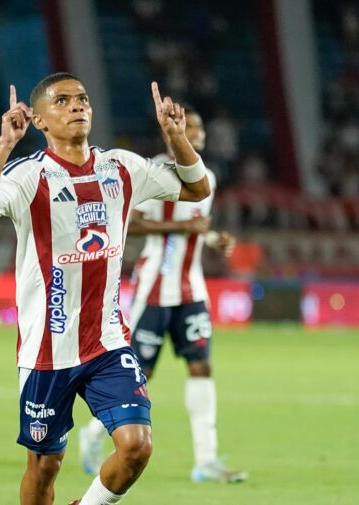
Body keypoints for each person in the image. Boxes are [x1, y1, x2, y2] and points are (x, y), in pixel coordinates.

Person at [0, 73, 211, 505]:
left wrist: (176, 136)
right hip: (45, 349)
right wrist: (4, 145)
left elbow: (196, 187)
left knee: (136, 445)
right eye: (63, 100)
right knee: (45, 465)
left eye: (83, 99)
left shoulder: (122, 167)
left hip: (107, 341)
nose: (77, 106)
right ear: (38, 119)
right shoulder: (27, 176)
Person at [77, 108, 247, 484]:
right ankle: (91, 434)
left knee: (201, 367)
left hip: (191, 289)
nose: (198, 133)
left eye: (201, 128)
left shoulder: (207, 178)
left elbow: (196, 227)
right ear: (172, 132)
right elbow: (130, 224)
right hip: (154, 290)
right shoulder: (149, 171)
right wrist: (183, 225)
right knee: (141, 375)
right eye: (191, 127)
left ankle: (205, 460)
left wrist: (210, 237)